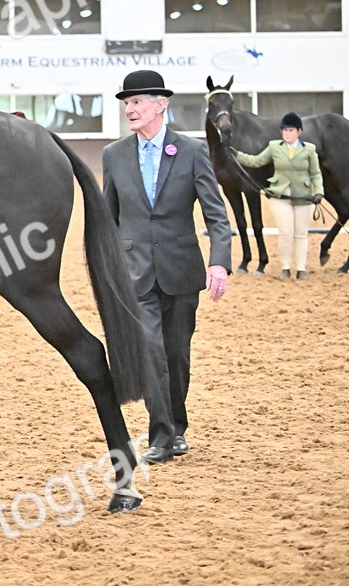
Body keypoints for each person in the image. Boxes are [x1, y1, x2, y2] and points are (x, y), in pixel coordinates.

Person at [101, 70, 232, 465]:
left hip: (181, 270)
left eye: (137, 102)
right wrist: (109, 271)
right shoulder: (114, 155)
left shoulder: (191, 152)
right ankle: (160, 434)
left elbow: (215, 213)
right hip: (134, 274)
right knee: (152, 353)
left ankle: (176, 427)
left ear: (161, 105)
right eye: (127, 104)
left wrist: (220, 263)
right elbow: (109, 220)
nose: (130, 110)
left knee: (177, 355)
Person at [233, 112, 324, 280]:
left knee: (301, 234)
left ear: (299, 131)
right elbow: (256, 161)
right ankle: (285, 267)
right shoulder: (274, 147)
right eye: (284, 130)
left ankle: (301, 268)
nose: (287, 134)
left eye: (291, 130)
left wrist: (318, 191)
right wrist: (236, 154)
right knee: (286, 232)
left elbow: (316, 174)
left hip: (303, 195)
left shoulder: (309, 150)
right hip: (280, 195)